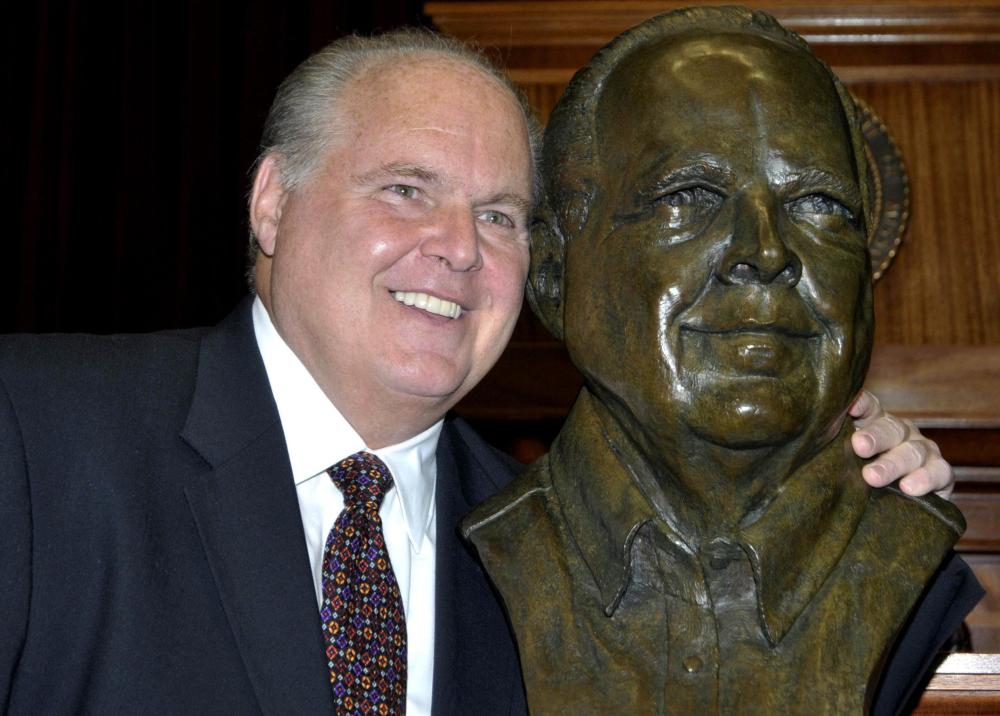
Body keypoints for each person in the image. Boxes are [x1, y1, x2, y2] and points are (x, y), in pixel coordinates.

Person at [0, 27, 957, 715]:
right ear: (271, 205)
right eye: (407, 190)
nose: (458, 249)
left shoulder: (537, 551)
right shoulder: (35, 436)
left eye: (499, 214)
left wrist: (850, 470)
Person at [464, 8, 982, 715]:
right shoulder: (450, 551)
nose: (767, 253)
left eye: (822, 205)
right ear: (555, 278)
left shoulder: (911, 565)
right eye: (690, 198)